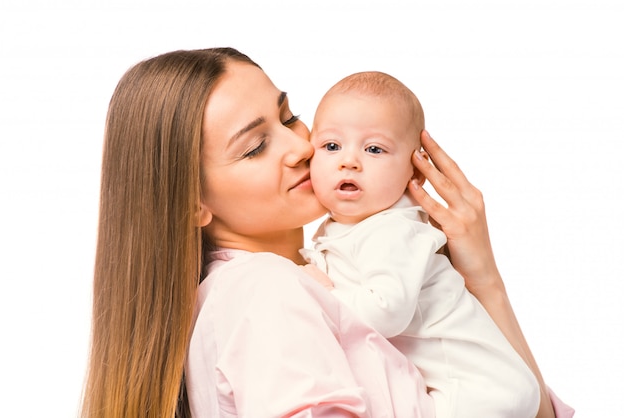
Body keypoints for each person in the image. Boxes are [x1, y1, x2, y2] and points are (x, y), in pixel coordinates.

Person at [80, 47, 574, 418]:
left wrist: (481, 278)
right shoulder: (268, 290)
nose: (300, 147)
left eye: (289, 116)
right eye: (254, 147)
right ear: (194, 203)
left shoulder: (326, 274)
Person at [301, 71, 538, 417]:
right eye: (331, 146)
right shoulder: (349, 225)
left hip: (477, 389)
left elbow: (386, 311)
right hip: (478, 384)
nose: (348, 160)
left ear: (414, 173)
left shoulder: (392, 230)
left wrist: (320, 292)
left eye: (374, 149)